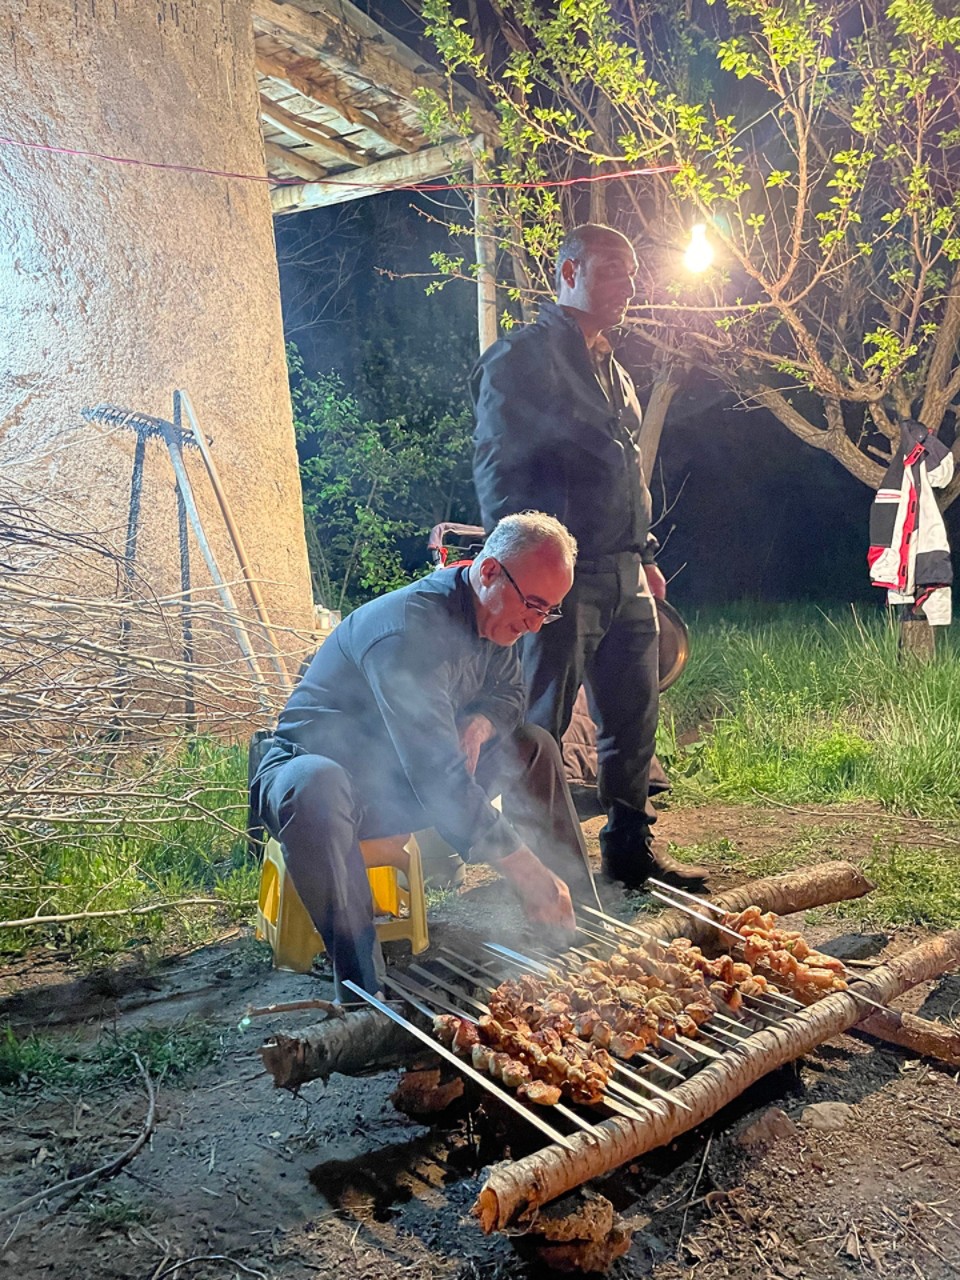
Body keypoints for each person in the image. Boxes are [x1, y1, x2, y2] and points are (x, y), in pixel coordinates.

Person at [252, 512, 594, 999]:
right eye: (535, 605)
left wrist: (480, 723)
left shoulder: (501, 621)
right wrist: (523, 867)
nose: (537, 624)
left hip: (398, 783)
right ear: (491, 570)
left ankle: (576, 923)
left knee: (532, 746)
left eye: (549, 611)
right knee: (316, 785)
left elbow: (511, 697)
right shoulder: (409, 631)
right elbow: (437, 773)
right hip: (323, 783)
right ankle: (362, 989)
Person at [471, 223, 708, 892]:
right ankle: (538, 868)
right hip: (557, 578)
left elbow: (627, 474)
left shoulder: (613, 367)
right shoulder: (521, 358)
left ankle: (629, 851)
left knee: (633, 718)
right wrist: (519, 572)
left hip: (625, 569)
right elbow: (498, 468)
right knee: (541, 723)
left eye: (632, 275)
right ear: (569, 272)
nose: (628, 287)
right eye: (612, 272)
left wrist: (647, 552)